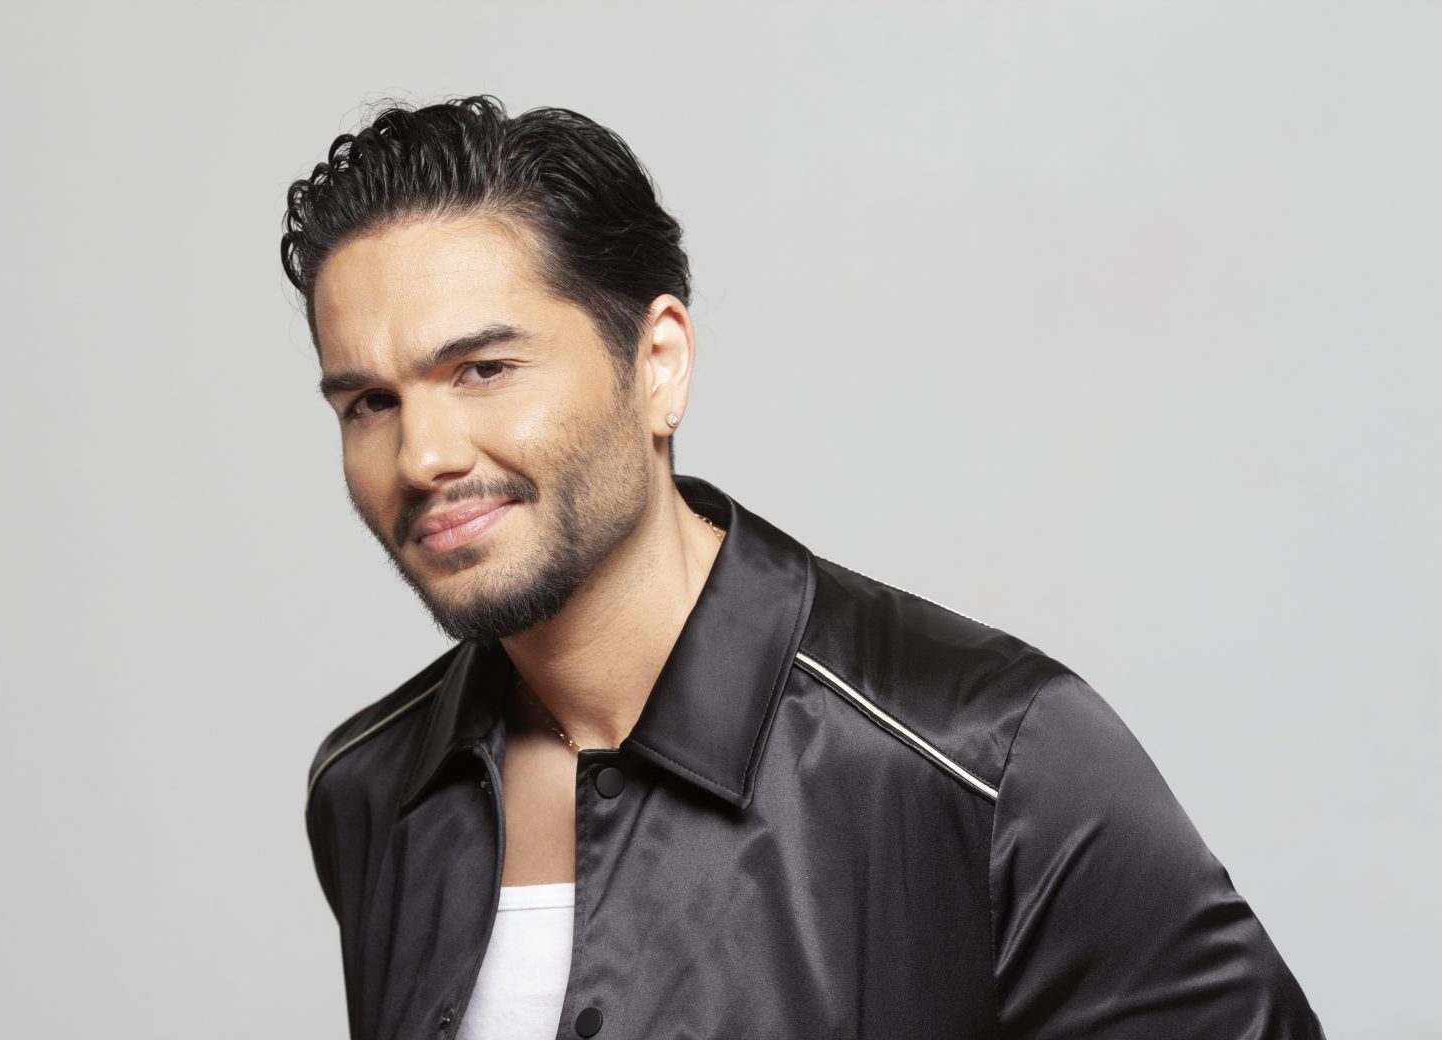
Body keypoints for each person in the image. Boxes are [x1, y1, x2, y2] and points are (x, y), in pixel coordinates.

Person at [281, 94, 1325, 1040]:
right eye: (369, 403)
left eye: (483, 369)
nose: (422, 456)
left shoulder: (987, 757)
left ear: (658, 364)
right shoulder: (369, 786)